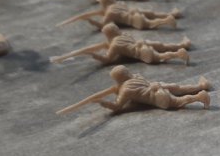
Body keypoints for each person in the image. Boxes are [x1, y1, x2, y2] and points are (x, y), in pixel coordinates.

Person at [59, 66, 211, 114]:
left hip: (158, 97)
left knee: (177, 101)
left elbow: (118, 106)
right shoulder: (137, 77)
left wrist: (102, 102)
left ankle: (199, 97)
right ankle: (201, 86)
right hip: (159, 85)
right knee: (180, 88)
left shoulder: (125, 90)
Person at [54, 23, 190, 65]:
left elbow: (108, 59)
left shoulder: (114, 45)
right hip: (144, 44)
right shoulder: (123, 36)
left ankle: (178, 54)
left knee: (161, 56)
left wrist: (93, 55)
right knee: (163, 45)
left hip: (142, 54)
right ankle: (181, 45)